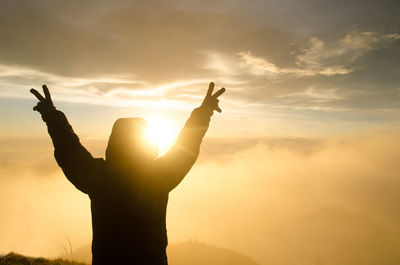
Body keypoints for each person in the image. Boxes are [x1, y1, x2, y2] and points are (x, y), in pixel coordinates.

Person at [30, 82, 225, 265]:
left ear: (113, 142)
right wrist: (204, 112)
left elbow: (70, 150)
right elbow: (186, 147)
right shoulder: (159, 176)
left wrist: (51, 115)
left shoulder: (99, 177)